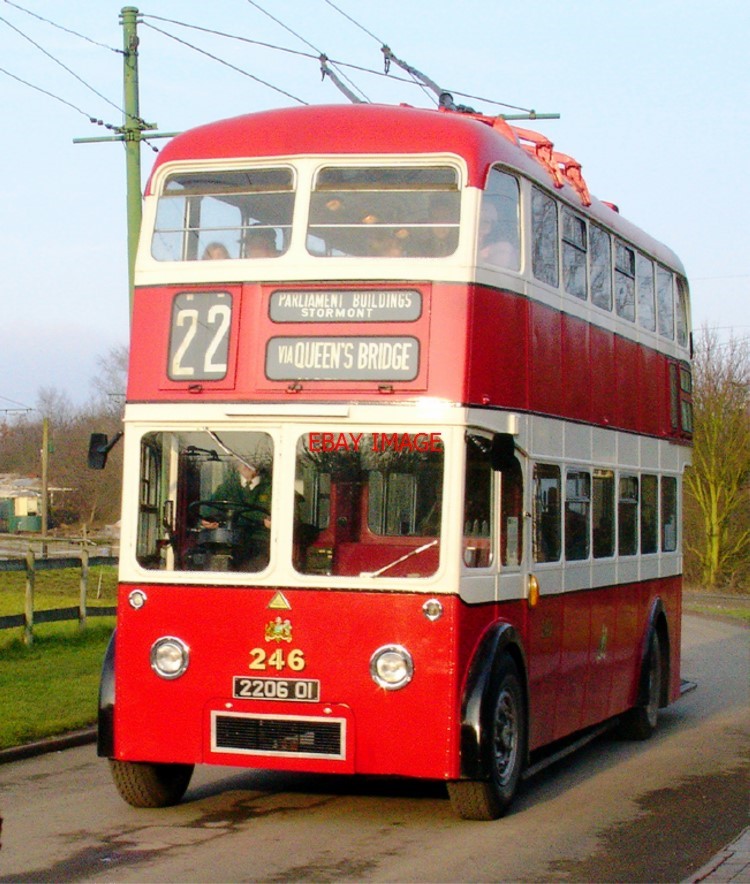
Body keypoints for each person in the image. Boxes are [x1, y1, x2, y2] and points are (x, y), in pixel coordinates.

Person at [202, 462, 272, 569]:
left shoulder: (272, 487)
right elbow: (208, 508)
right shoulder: (227, 487)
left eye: (250, 461)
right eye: (241, 460)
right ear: (237, 466)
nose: (246, 465)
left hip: (260, 542)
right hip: (228, 540)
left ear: (259, 465)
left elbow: (290, 517)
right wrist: (207, 520)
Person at [478, 198, 520, 269]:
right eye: (480, 221)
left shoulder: (503, 248)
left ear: (492, 225)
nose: (481, 226)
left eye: (486, 222)